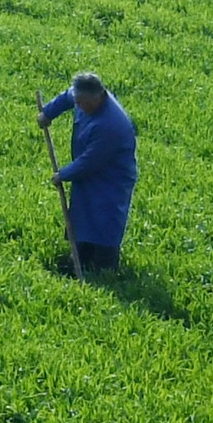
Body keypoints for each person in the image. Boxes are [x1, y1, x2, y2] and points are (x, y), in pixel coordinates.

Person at [40, 71, 137, 272]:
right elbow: (67, 97)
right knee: (83, 214)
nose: (80, 107)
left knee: (105, 219)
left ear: (99, 96)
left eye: (84, 104)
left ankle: (104, 267)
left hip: (111, 177)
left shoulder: (111, 125)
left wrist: (63, 175)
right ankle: (80, 257)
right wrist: (48, 113)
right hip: (88, 174)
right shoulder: (81, 97)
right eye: (79, 103)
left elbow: (90, 162)